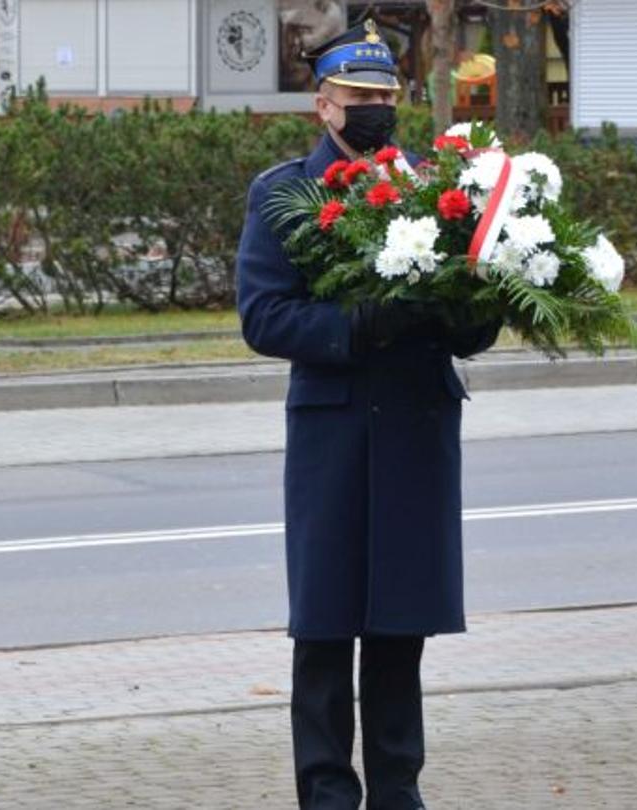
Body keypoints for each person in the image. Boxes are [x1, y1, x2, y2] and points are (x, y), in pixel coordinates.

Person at [236, 21, 501, 810]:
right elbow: (263, 316)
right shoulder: (285, 191)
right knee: (324, 627)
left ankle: (397, 790)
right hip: (336, 428)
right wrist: (355, 327)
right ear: (325, 106)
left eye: (387, 97)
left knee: (399, 626)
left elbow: (474, 308)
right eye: (361, 97)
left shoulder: (435, 185)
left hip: (417, 426)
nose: (377, 109)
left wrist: (467, 315)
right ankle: (324, 792)